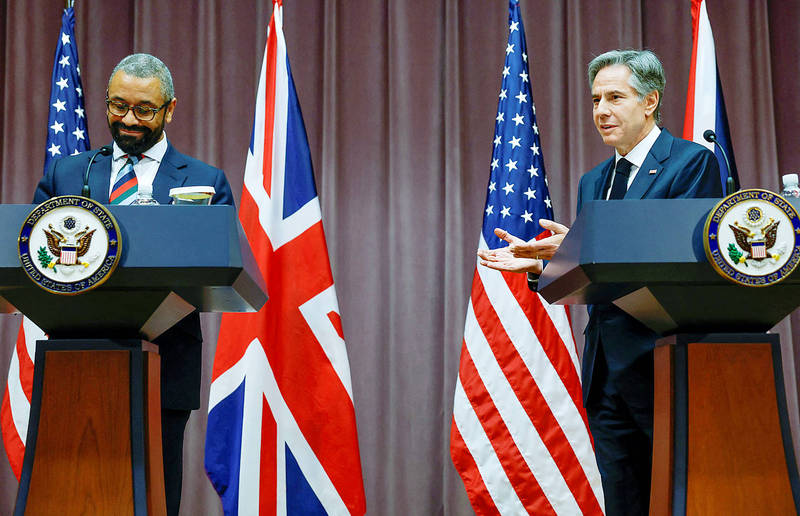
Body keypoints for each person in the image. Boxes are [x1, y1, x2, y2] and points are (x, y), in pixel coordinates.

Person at [478, 49, 722, 515]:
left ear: (650, 101)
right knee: (623, 502)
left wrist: (582, 249)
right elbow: (593, 275)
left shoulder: (691, 164)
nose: (601, 111)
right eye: (595, 100)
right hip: (607, 370)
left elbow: (680, 261)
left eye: (615, 97)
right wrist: (541, 266)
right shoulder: (595, 180)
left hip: (663, 363)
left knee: (678, 498)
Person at [33, 53, 234, 516]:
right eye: (118, 106)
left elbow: (218, 269)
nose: (128, 120)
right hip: (75, 365)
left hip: (164, 366)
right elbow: (33, 258)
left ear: (170, 109)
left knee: (155, 499)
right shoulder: (69, 174)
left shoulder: (204, 182)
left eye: (144, 109)